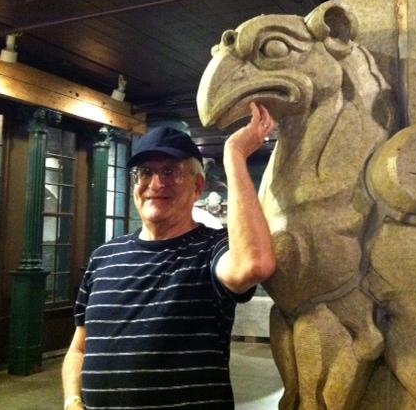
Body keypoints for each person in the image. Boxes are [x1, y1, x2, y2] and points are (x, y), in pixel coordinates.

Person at [62, 102, 276, 410]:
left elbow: (254, 265)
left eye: (170, 172)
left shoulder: (211, 249)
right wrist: (72, 400)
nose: (156, 183)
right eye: (145, 172)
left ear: (197, 187)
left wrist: (235, 154)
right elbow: (79, 349)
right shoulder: (103, 258)